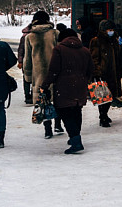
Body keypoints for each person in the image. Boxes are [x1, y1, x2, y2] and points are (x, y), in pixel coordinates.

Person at [41, 29, 93, 154]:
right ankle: (75, 136)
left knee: (64, 112)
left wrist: (45, 85)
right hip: (80, 86)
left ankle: (76, 141)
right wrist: (83, 80)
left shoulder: (59, 50)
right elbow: (91, 69)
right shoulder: (85, 50)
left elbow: (54, 70)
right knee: (76, 110)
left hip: (64, 86)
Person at [23, 10, 61, 139]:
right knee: (57, 100)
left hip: (39, 75)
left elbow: (27, 59)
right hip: (56, 73)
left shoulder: (30, 37)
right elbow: (61, 53)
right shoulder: (55, 34)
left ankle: (47, 129)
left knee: (43, 101)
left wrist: (27, 76)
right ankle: (58, 124)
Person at [0, 20, 18, 150]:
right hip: (0, 82)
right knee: (0, 109)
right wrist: (0, 69)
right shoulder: (3, 46)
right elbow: (12, 61)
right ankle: (0, 140)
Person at [89, 19, 122, 128]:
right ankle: (102, 116)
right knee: (103, 96)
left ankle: (105, 114)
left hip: (113, 72)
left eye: (112, 29)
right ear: (103, 30)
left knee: (111, 96)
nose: (111, 31)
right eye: (109, 29)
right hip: (103, 73)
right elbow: (94, 58)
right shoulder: (96, 41)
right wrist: (97, 71)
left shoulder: (114, 40)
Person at [17, 22, 33, 104]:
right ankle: (31, 95)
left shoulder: (24, 37)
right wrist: (20, 61)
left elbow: (20, 50)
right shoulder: (29, 36)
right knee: (33, 79)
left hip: (25, 61)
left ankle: (27, 96)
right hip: (30, 60)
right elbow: (21, 50)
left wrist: (20, 61)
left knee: (26, 79)